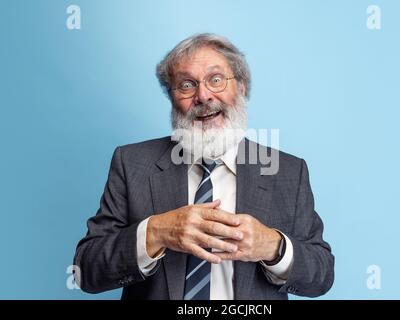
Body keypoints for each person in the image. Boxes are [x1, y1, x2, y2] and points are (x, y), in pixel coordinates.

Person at [74, 33, 334, 300]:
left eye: (216, 80)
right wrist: (156, 232)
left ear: (242, 87)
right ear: (172, 98)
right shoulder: (131, 163)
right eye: (186, 85)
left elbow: (322, 275)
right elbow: (85, 270)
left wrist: (273, 246)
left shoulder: (288, 171)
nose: (203, 95)